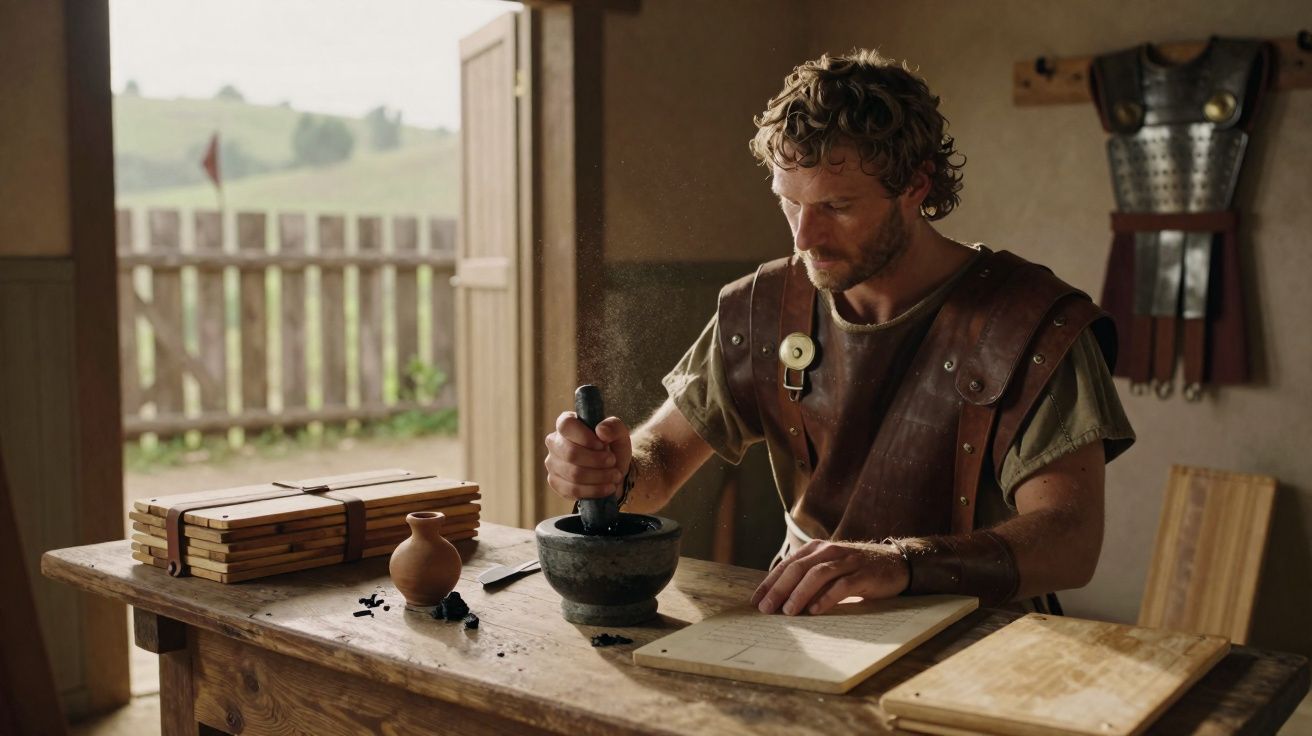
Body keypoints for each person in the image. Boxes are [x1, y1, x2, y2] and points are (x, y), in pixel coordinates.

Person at [543, 49, 1135, 617]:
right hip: (808, 621)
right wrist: (617, 473)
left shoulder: (1032, 322)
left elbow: (1070, 542)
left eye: (837, 206)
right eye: (788, 203)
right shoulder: (765, 307)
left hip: (985, 636)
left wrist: (902, 563)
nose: (803, 238)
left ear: (916, 187)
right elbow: (661, 465)